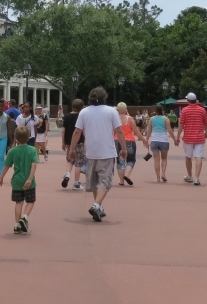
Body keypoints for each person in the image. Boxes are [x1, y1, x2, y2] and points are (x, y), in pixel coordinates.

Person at [67, 87, 129, 222]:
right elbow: (119, 131)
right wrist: (123, 148)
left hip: (90, 151)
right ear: (104, 97)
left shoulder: (84, 112)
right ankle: (96, 205)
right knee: (105, 180)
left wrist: (72, 149)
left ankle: (99, 207)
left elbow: (77, 132)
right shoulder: (111, 111)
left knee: (95, 181)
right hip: (106, 151)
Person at [0, 126, 39, 233]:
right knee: (31, 201)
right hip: (28, 180)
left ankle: (17, 225)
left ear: (15, 138)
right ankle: (24, 217)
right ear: (28, 137)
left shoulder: (12, 151)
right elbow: (34, 165)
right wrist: (30, 179)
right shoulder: (32, 150)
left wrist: (1, 177)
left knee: (18, 202)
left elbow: (6, 165)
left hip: (16, 180)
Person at [178, 92, 207, 186]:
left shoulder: (185, 110)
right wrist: (206, 132)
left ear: (188, 100)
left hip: (188, 137)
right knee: (198, 156)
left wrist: (178, 136)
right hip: (199, 137)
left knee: (188, 157)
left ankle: (189, 175)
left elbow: (181, 124)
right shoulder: (202, 110)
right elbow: (206, 122)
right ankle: (197, 178)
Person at [115, 103, 146, 186]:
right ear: (126, 109)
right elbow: (136, 132)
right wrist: (144, 140)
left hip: (117, 141)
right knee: (131, 159)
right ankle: (127, 174)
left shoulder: (115, 119)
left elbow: (112, 132)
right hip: (129, 141)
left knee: (119, 161)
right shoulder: (130, 119)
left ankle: (121, 181)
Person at [145, 105, 177, 182]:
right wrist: (175, 140)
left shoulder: (151, 119)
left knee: (156, 160)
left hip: (154, 140)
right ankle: (163, 174)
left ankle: (158, 177)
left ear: (155, 111)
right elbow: (170, 130)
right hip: (164, 140)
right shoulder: (166, 119)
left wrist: (146, 140)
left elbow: (149, 131)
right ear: (162, 111)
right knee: (164, 158)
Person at [61, 99, 86, 190]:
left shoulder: (67, 116)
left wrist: (63, 142)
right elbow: (82, 131)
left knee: (70, 160)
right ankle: (76, 183)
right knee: (78, 163)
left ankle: (67, 173)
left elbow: (63, 131)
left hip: (69, 142)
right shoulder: (81, 116)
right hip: (79, 142)